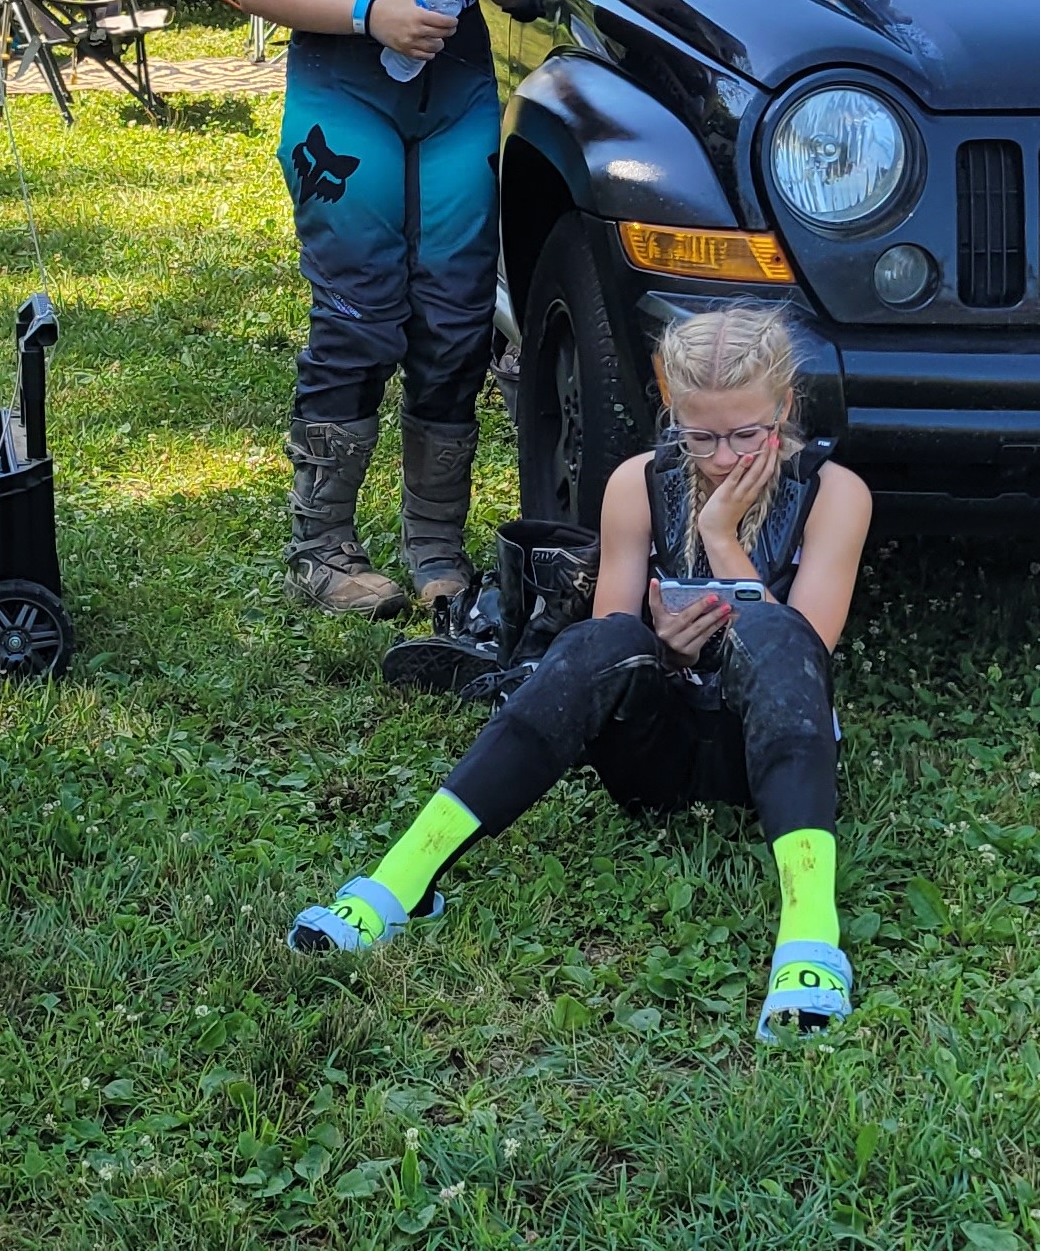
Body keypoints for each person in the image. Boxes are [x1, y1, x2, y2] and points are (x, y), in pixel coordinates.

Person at [288, 305, 874, 1044]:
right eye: (700, 436)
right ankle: (399, 880)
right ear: (672, 409)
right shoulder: (638, 483)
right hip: (654, 751)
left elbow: (807, 653)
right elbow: (607, 644)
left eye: (746, 434)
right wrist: (666, 647)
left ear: (784, 408)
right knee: (602, 641)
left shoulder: (835, 493)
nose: (724, 457)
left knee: (775, 631)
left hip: (769, 761)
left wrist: (720, 538)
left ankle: (810, 938)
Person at [238, 0, 541, 621]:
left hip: (456, 86)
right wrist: (374, 16)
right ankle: (321, 551)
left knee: (456, 317)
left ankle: (435, 550)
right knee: (360, 311)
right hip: (343, 87)